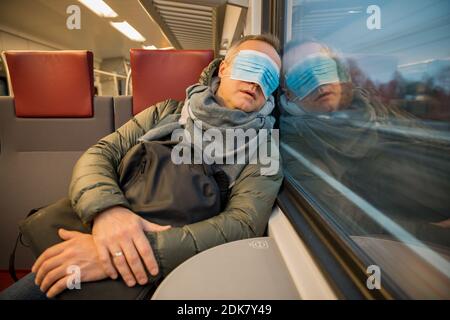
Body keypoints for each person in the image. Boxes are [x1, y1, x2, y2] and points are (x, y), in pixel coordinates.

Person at [1, 34, 283, 299]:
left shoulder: (264, 147)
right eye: (250, 66)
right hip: (98, 227)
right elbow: (101, 154)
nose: (256, 81)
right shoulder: (166, 112)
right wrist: (107, 211)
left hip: (165, 263)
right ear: (223, 69)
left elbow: (242, 224)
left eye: (269, 77)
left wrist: (120, 253)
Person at [279, 39, 450, 243]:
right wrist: (433, 233)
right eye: (301, 77)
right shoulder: (296, 143)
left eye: (322, 67)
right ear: (288, 94)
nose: (318, 81)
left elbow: (433, 144)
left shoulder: (372, 109)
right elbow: (346, 215)